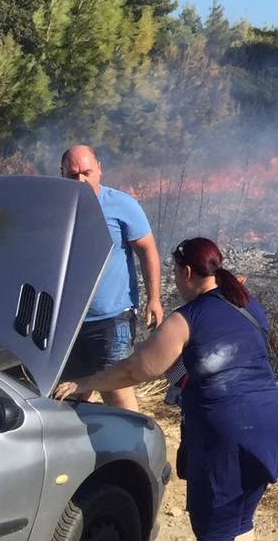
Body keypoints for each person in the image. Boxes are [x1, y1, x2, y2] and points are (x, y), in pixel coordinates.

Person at [54, 237, 278, 541]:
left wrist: (85, 382)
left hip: (228, 432)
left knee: (214, 529)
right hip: (272, 423)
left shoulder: (186, 318)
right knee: (239, 521)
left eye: (174, 273)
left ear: (187, 272)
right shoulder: (246, 303)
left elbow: (135, 370)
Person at [58, 144, 162, 410]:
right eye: (73, 175)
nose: (81, 180)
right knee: (68, 395)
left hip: (113, 318)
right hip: (68, 322)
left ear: (99, 170)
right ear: (62, 174)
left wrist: (154, 298)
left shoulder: (122, 205)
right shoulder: (55, 208)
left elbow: (148, 250)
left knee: (116, 393)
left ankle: (135, 437)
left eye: (87, 173)